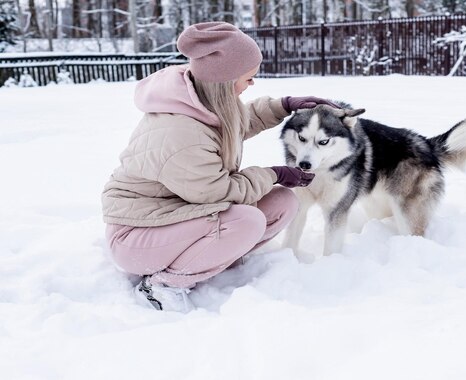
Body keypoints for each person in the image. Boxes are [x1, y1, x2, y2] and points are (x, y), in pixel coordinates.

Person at [101, 22, 338, 313]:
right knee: (246, 221)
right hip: (137, 236)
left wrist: (284, 105)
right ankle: (162, 285)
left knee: (283, 203)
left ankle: (211, 259)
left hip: (177, 216)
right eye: (248, 78)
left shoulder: (202, 99)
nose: (253, 84)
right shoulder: (179, 133)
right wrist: (273, 174)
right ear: (224, 81)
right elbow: (217, 191)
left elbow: (237, 124)